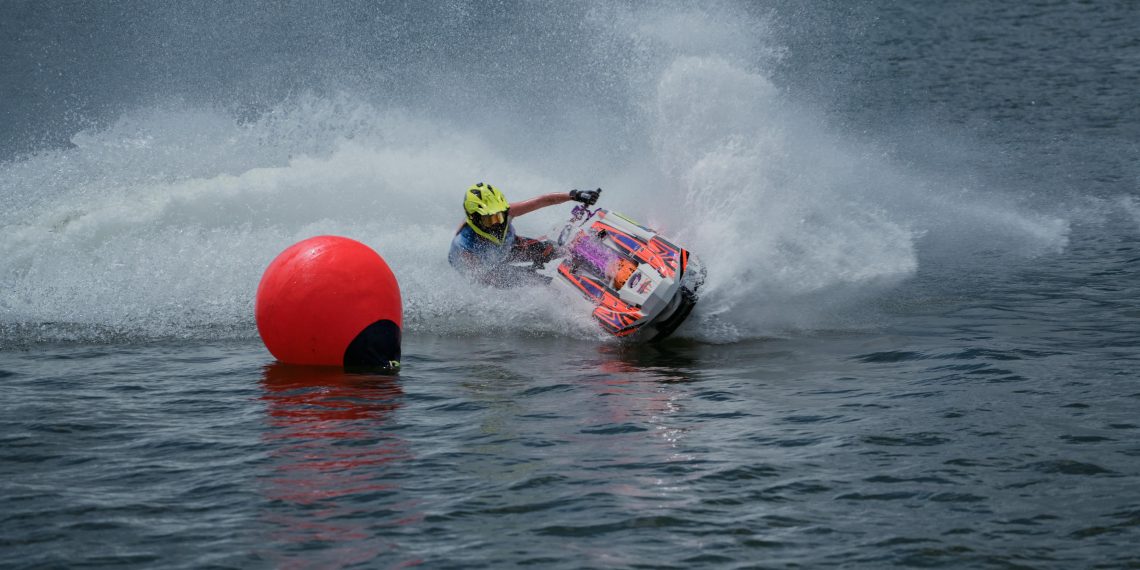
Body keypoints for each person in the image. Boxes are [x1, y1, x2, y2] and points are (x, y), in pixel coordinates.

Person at [449, 182, 601, 287]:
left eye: (499, 217)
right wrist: (531, 277)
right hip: (489, 268)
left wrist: (575, 195)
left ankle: (595, 263)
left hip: (509, 247)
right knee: (537, 281)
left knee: (555, 251)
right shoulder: (463, 246)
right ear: (474, 218)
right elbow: (481, 279)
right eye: (490, 219)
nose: (497, 223)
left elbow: (544, 200)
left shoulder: (507, 211)